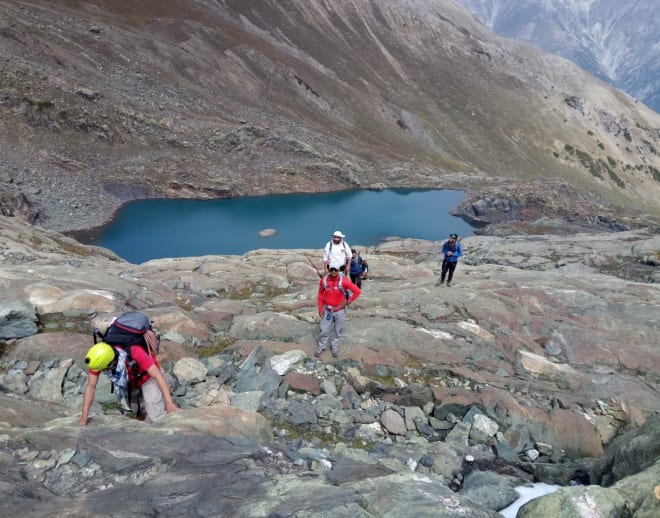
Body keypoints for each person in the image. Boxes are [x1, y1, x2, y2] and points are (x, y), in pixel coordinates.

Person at [79, 337, 179, 425]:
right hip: (128, 381)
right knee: (137, 409)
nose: (104, 372)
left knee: (156, 417)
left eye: (104, 369)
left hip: (148, 377)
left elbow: (158, 376)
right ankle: (144, 425)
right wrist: (84, 418)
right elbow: (90, 387)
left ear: (111, 363)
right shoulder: (97, 359)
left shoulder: (135, 352)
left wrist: (170, 404)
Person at [316, 266, 361, 358]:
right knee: (324, 330)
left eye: (335, 269)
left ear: (338, 270)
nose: (333, 271)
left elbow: (357, 291)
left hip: (339, 311)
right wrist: (320, 309)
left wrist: (348, 302)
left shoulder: (343, 281)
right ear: (328, 270)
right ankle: (322, 347)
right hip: (327, 310)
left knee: (337, 331)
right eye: (331, 269)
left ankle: (334, 347)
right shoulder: (324, 281)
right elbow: (320, 295)